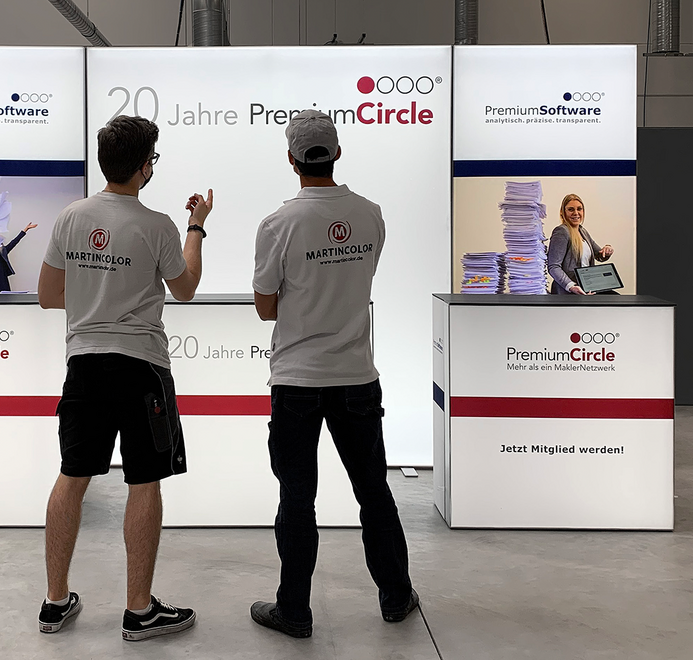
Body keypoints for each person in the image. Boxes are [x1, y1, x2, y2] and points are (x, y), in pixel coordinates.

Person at [35, 114, 213, 642]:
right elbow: (186, 288)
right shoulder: (157, 225)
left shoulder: (71, 218)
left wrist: (95, 300)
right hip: (141, 366)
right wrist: (196, 227)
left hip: (84, 363)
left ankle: (55, 601)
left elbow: (48, 296)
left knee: (72, 475)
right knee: (144, 480)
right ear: (143, 168)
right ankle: (139, 610)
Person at [249, 109, 417, 639]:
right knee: (374, 491)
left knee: (297, 498)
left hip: (297, 378)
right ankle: (396, 596)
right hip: (356, 375)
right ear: (338, 152)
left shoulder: (278, 224)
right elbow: (359, 280)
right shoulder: (371, 215)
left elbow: (265, 308)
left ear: (291, 159)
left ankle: (294, 611)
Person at [546, 193, 614, 295]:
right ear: (563, 212)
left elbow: (600, 255)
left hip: (587, 289)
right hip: (569, 292)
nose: (576, 213)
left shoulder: (582, 231)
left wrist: (607, 249)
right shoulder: (561, 232)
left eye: (579, 209)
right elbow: (553, 267)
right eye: (571, 209)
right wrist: (571, 286)